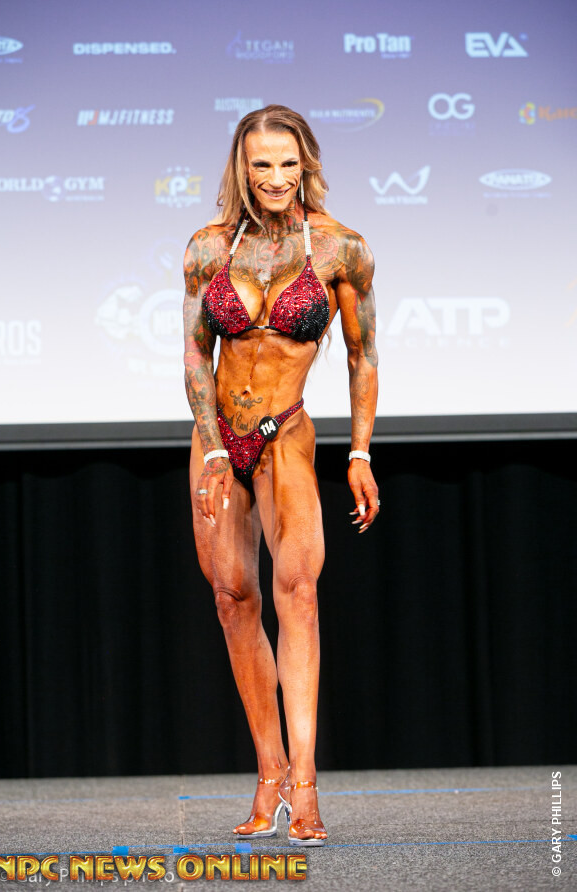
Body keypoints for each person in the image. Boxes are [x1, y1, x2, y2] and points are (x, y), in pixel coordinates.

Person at [183, 105, 379, 846]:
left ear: (307, 164)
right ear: (242, 168)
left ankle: (305, 783)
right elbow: (195, 353)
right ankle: (268, 775)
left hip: (286, 435)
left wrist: (360, 454)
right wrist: (210, 448)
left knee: (297, 595)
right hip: (218, 440)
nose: (274, 177)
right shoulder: (209, 248)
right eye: (261, 164)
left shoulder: (340, 248)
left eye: (287, 163)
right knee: (233, 597)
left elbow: (362, 355)